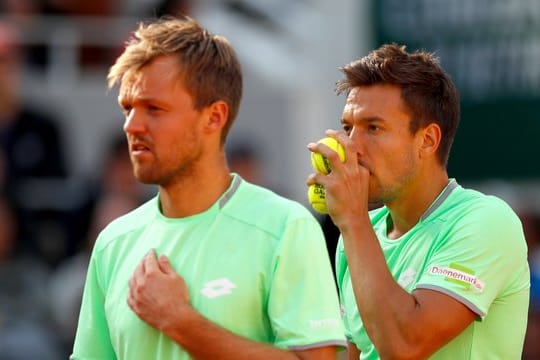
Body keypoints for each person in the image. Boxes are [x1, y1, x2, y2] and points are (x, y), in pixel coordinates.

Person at [71, 16, 346, 359]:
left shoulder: (286, 226)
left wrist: (181, 322)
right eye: (128, 108)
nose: (132, 125)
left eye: (154, 109)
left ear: (214, 117)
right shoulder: (113, 242)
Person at [306, 43, 530, 359]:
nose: (350, 147)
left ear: (427, 140)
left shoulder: (486, 220)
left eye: (373, 128)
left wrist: (353, 221)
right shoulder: (357, 233)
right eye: (347, 127)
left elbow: (405, 346)